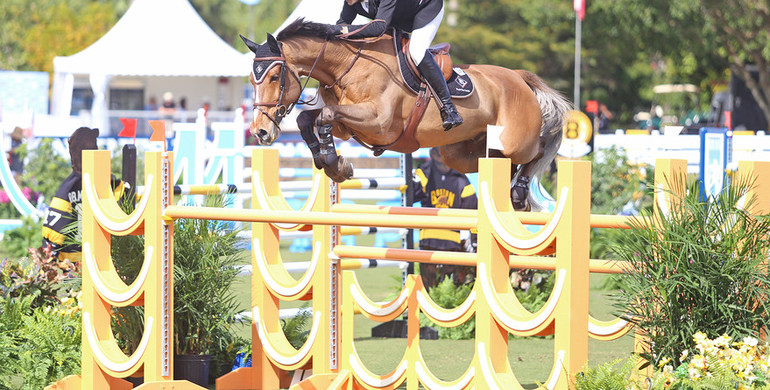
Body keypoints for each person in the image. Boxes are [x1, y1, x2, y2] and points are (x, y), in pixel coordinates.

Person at [334, 0, 463, 131]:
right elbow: (342, 25)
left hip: (426, 8)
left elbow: (378, 28)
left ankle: (449, 109)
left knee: (416, 52)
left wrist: (339, 30)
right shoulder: (351, 2)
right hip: (399, 17)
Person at [42, 127, 124, 261]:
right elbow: (55, 224)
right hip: (75, 259)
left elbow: (122, 196)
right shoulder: (71, 186)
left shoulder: (104, 180)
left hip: (98, 254)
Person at [412, 147, 477, 288]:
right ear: (433, 154)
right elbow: (412, 193)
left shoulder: (461, 178)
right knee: (429, 287)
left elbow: (473, 210)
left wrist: (474, 241)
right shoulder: (424, 172)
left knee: (447, 287)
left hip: (450, 242)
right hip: (428, 239)